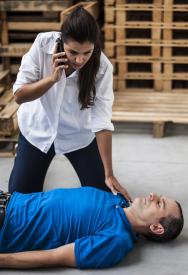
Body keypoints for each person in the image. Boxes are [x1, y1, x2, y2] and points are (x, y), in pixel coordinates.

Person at [8, 7, 131, 201]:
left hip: (79, 134)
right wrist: (51, 79)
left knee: (105, 197)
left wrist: (109, 173)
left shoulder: (103, 66)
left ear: (94, 46)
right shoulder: (42, 45)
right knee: (18, 202)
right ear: (61, 41)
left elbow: (102, 120)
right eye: (73, 52)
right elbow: (19, 96)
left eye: (87, 52)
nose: (80, 59)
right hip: (37, 132)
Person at [0, 187, 184, 269]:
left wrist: (3, 261)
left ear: (156, 228)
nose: (152, 195)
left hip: (6, 223)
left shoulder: (116, 240)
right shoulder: (119, 200)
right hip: (9, 198)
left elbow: (53, 257)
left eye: (159, 203)